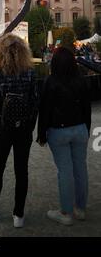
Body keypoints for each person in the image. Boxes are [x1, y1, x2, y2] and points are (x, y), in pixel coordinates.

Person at [0, 34, 38, 228]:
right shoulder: (30, 72)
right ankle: (19, 215)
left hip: (3, 127)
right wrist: (30, 125)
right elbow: (34, 101)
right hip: (24, 128)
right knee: (21, 170)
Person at [37, 47, 91, 226]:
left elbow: (44, 110)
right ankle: (81, 209)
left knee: (65, 172)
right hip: (79, 129)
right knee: (80, 169)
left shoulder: (50, 82)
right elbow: (87, 108)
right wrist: (86, 129)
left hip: (58, 131)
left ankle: (66, 212)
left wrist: (41, 134)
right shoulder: (81, 81)